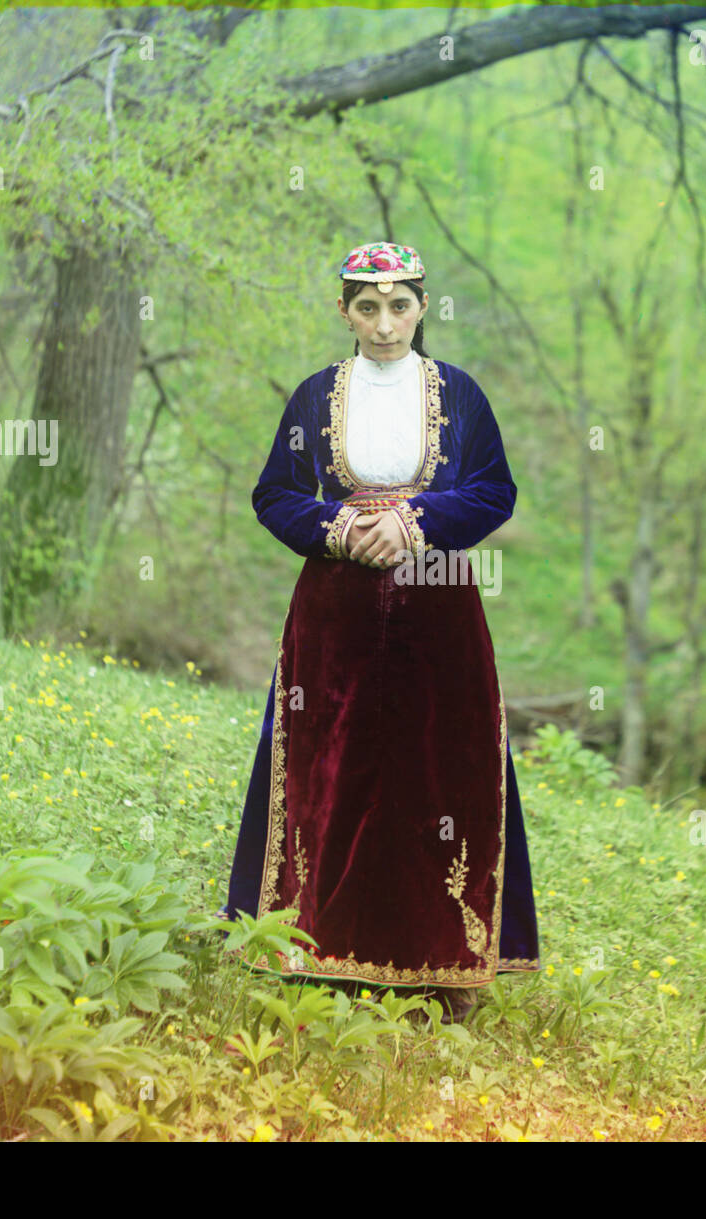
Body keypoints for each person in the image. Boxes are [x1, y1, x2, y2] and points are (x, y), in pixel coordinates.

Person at [217, 241, 539, 1024]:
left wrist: (415, 524)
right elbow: (274, 494)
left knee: (440, 765)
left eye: (399, 305)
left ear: (423, 307)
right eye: (367, 307)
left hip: (439, 606)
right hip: (337, 612)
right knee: (334, 766)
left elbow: (495, 492)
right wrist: (337, 528)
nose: (385, 323)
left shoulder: (460, 396)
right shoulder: (311, 398)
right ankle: (312, 949)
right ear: (344, 312)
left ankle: (443, 962)